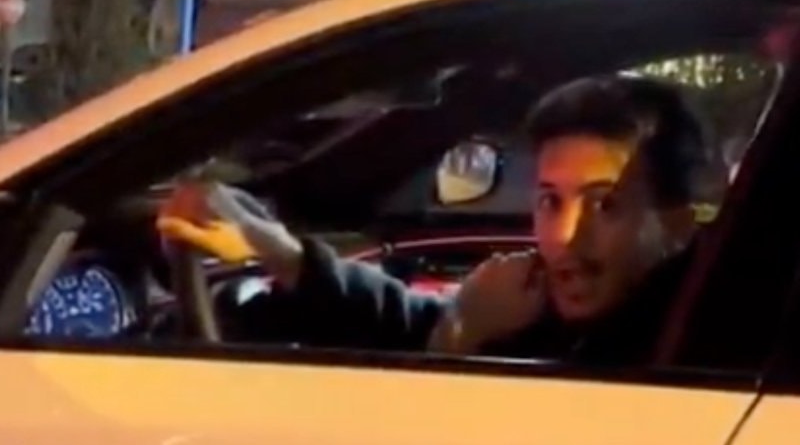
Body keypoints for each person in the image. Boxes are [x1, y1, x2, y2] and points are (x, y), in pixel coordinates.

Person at [157, 74, 709, 365]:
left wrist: (463, 333)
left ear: (677, 225)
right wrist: (284, 254)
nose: (565, 238)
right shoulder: (584, 314)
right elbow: (405, 322)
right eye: (550, 201)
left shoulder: (671, 351)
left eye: (605, 205)